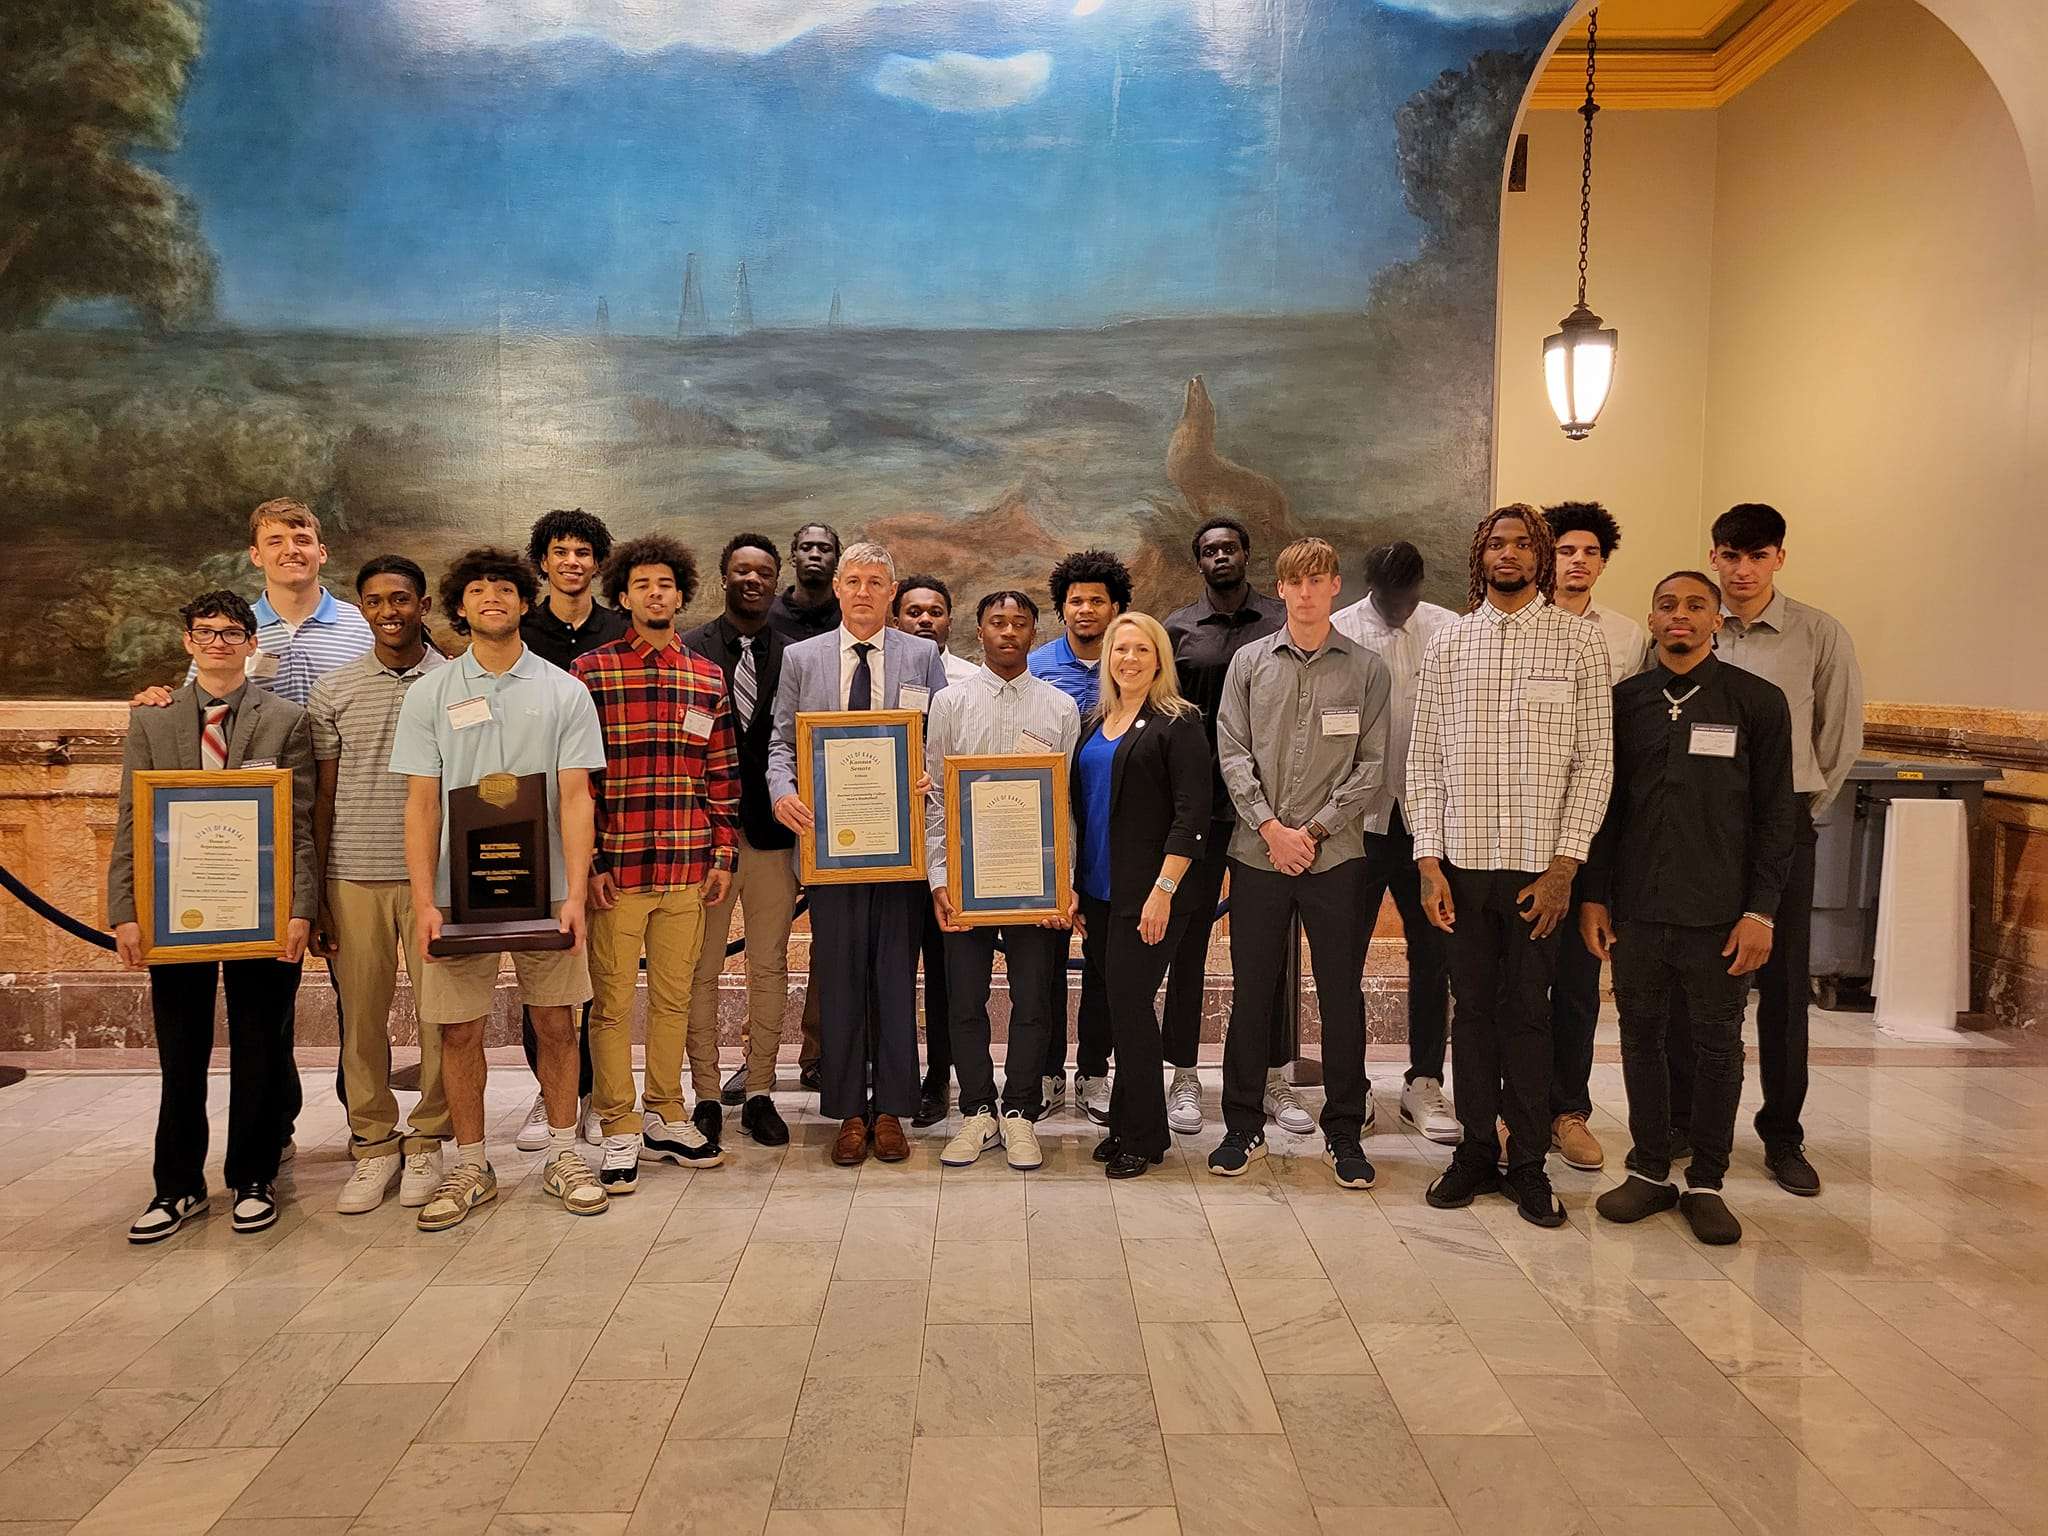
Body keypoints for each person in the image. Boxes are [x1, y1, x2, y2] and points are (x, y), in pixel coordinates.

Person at [137, 499, 376, 1162]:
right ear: (257, 554)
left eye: (303, 538)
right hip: (252, 840)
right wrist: (159, 698)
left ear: (321, 551)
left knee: (353, 988)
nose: (291, 549)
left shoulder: (358, 627)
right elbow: (200, 717)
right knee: (268, 995)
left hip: (343, 818)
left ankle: (366, 1116)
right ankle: (274, 1121)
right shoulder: (237, 627)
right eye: (276, 540)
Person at [392, 547, 609, 1230]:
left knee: (555, 1023)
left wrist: (574, 892)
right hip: (457, 896)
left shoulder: (564, 690)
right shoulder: (430, 694)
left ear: (525, 602)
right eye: (478, 591)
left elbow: (577, 798)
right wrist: (424, 901)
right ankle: (471, 1164)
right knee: (457, 1032)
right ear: (460, 607)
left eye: (506, 590)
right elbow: (422, 805)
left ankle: (567, 1154)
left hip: (547, 892)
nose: (492, 599)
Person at [1410, 504, 1613, 1228]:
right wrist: (1428, 862)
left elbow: (1595, 763)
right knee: (1472, 1015)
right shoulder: (1449, 645)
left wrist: (1566, 868)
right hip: (1462, 868)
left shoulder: (1579, 646)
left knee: (1530, 1017)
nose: (1508, 554)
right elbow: (1423, 760)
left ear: (1544, 555)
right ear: (1479, 556)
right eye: (1496, 543)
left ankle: (1527, 1162)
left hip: (1539, 874)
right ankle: (1473, 1151)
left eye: (1522, 543)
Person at [1584, 571, 1796, 1246]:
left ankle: (1706, 1179)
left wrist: (1761, 911)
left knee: (1716, 1047)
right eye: (1669, 605)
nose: (1681, 616)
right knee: (1640, 1038)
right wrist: (1594, 895)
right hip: (1639, 909)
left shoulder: (1757, 703)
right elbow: (1604, 811)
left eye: (1695, 606)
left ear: (1717, 620)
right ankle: (1649, 1169)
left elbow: (1775, 818)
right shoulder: (1623, 702)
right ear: (1651, 618)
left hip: (1720, 913)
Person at [1669, 502, 1863, 1197]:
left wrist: (1792, 814)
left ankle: (1783, 1136)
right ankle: (1684, 1125)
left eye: (1756, 556)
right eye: (1729, 555)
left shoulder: (1817, 635)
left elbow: (1839, 740)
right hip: (1692, 834)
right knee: (1692, 980)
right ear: (1715, 556)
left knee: (1781, 990)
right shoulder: (1690, 624)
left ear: (1779, 558)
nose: (1741, 569)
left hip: (1778, 831)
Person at [112, 590, 315, 1242]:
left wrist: (300, 911)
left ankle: (253, 1178)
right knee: (181, 1053)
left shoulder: (286, 721)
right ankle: (177, 1187)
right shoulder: (155, 720)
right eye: (207, 632)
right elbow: (130, 824)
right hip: (178, 915)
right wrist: (126, 912)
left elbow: (302, 830)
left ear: (253, 643)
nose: (220, 642)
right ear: (188, 642)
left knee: (260, 1047)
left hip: (260, 913)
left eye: (233, 632)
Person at [1211, 538, 1390, 1188]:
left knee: (1341, 997)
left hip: (1335, 857)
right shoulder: (1249, 663)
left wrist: (1311, 831)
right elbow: (1231, 750)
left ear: (1336, 586)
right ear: (1281, 590)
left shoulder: (1367, 669)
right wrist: (1270, 827)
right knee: (1253, 994)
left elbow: (1372, 767)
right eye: (1296, 582)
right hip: (1258, 854)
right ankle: (1241, 1127)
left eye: (1319, 580)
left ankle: (1345, 1133)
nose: (1308, 592)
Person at [769, 541, 950, 1166]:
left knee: (897, 978)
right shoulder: (802, 658)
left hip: (899, 852)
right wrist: (783, 794)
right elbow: (779, 744)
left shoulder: (922, 655)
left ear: (891, 593)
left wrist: (927, 775)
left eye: (877, 582)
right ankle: (848, 1109)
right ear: (839, 589)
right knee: (841, 979)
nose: (865, 591)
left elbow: (938, 737)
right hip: (829, 848)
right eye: (855, 580)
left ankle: (893, 1108)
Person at [575, 535, 738, 1193]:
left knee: (672, 999)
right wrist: (588, 860)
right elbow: (576, 779)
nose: (655, 594)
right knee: (612, 1005)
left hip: (687, 869)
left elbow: (720, 774)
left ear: (681, 593)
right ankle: (619, 1125)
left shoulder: (706, 676)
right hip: (618, 873)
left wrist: (722, 853)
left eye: (666, 584)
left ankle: (667, 1114)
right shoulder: (590, 673)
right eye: (642, 585)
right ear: (623, 595)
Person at [311, 556, 452, 1215]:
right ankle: (373, 1146)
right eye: (375, 601)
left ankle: (427, 1142)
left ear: (423, 606)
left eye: (401, 599)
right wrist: (314, 895)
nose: (389, 611)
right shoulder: (333, 690)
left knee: (439, 1017)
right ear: (361, 609)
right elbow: (323, 797)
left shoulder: (458, 683)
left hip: (436, 881)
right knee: (361, 1019)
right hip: (352, 877)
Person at [926, 591, 1080, 1172]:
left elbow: (1065, 805)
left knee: (1033, 1001)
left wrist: (1062, 884)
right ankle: (976, 1112)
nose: (1008, 632)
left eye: (1020, 623)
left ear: (1033, 631)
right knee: (964, 1000)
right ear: (981, 631)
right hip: (966, 884)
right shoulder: (950, 702)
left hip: (1034, 882)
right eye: (998, 622)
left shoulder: (1060, 708)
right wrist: (941, 880)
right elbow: (937, 800)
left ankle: (1019, 1112)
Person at [1161, 516, 1288, 1136]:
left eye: (1230, 547)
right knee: (1186, 946)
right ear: (1199, 561)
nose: (1221, 557)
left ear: (1247, 553)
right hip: (1205, 810)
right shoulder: (1178, 629)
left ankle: (1274, 1076)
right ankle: (1183, 1073)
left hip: (1273, 812)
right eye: (1209, 550)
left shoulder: (1280, 621)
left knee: (1270, 950)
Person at [1073, 613, 1211, 1179]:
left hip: (1153, 894)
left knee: (1130, 1009)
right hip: (1102, 893)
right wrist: (1079, 887)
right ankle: (1130, 1122)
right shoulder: (1096, 720)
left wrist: (1163, 891)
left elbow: (1192, 816)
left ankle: (1146, 1136)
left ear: (1159, 659)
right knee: (1119, 1007)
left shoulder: (1178, 722)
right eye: (1120, 649)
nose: (1129, 659)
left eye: (1141, 650)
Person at [1333, 541, 1460, 1145]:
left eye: (1407, 599)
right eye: (1388, 601)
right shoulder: (1339, 630)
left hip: (1431, 821)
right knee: (1343, 958)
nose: (1398, 611)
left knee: (1434, 955)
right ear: (1369, 589)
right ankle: (1349, 1085)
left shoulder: (1449, 629)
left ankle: (1425, 1080)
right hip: (1359, 821)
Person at [514, 508, 627, 1148]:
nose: (572, 562)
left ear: (598, 562)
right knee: (547, 960)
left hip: (613, 817)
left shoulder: (619, 628)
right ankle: (551, 1091)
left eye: (584, 552)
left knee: (602, 972)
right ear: (543, 561)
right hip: (538, 819)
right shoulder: (519, 632)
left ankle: (595, 1094)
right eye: (560, 552)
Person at [1539, 501, 1646, 1174]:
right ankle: (1505, 1102)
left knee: (1579, 979)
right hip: (1518, 827)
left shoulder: (1628, 637)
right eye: (1566, 550)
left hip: (1594, 827)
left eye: (1589, 552)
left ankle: (1567, 1110)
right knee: (1513, 981)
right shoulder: (1520, 628)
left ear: (1602, 562)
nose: (1577, 561)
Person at [685, 534, 798, 1147]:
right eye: (740, 570)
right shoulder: (691, 648)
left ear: (776, 580)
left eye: (762, 571)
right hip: (704, 840)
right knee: (700, 967)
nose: (752, 580)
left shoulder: (800, 655)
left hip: (775, 836)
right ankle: (704, 1093)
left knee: (769, 965)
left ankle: (758, 1090)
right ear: (722, 577)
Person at [1029, 548, 1129, 1121]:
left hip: (1107, 841)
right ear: (1062, 609)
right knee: (1042, 963)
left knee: (1103, 967)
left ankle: (1094, 1072)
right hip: (1043, 835)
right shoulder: (1039, 667)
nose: (1085, 609)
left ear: (1116, 607)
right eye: (1075, 601)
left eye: (1096, 600)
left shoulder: (1131, 666)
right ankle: (1045, 1073)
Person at [893, 573, 973, 1124]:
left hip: (956, 850)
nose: (925, 619)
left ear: (950, 619)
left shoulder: (970, 680)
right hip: (891, 846)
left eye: (936, 611)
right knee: (897, 967)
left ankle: (940, 1076)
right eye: (914, 611)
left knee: (949, 971)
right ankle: (895, 1073)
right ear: (899, 618)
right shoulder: (884, 672)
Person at [769, 522, 843, 642]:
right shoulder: (768, 613)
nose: (815, 554)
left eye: (825, 549)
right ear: (793, 558)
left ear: (837, 561)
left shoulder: (848, 615)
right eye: (806, 548)